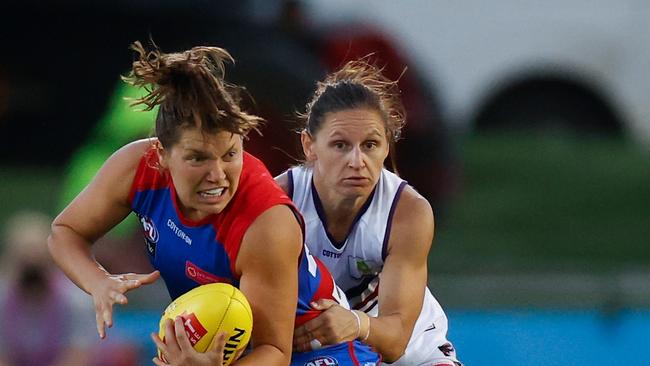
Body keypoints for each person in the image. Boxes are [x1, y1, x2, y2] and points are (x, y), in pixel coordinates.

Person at [48, 41, 380, 366]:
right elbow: (64, 232)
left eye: (230, 155)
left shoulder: (266, 224)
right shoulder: (136, 168)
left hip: (320, 354)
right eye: (198, 158)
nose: (217, 175)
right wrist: (98, 282)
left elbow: (275, 352)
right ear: (162, 154)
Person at [275, 59, 462, 366]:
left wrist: (355, 323)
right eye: (340, 145)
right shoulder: (280, 202)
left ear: (387, 147)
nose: (357, 160)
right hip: (323, 350)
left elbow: (396, 341)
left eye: (371, 144)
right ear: (309, 145)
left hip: (411, 353)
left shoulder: (408, 212)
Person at [0, 211, 96, 366]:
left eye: (37, 257)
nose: (31, 264)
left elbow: (80, 355)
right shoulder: (2, 300)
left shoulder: (76, 301)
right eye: (24, 259)